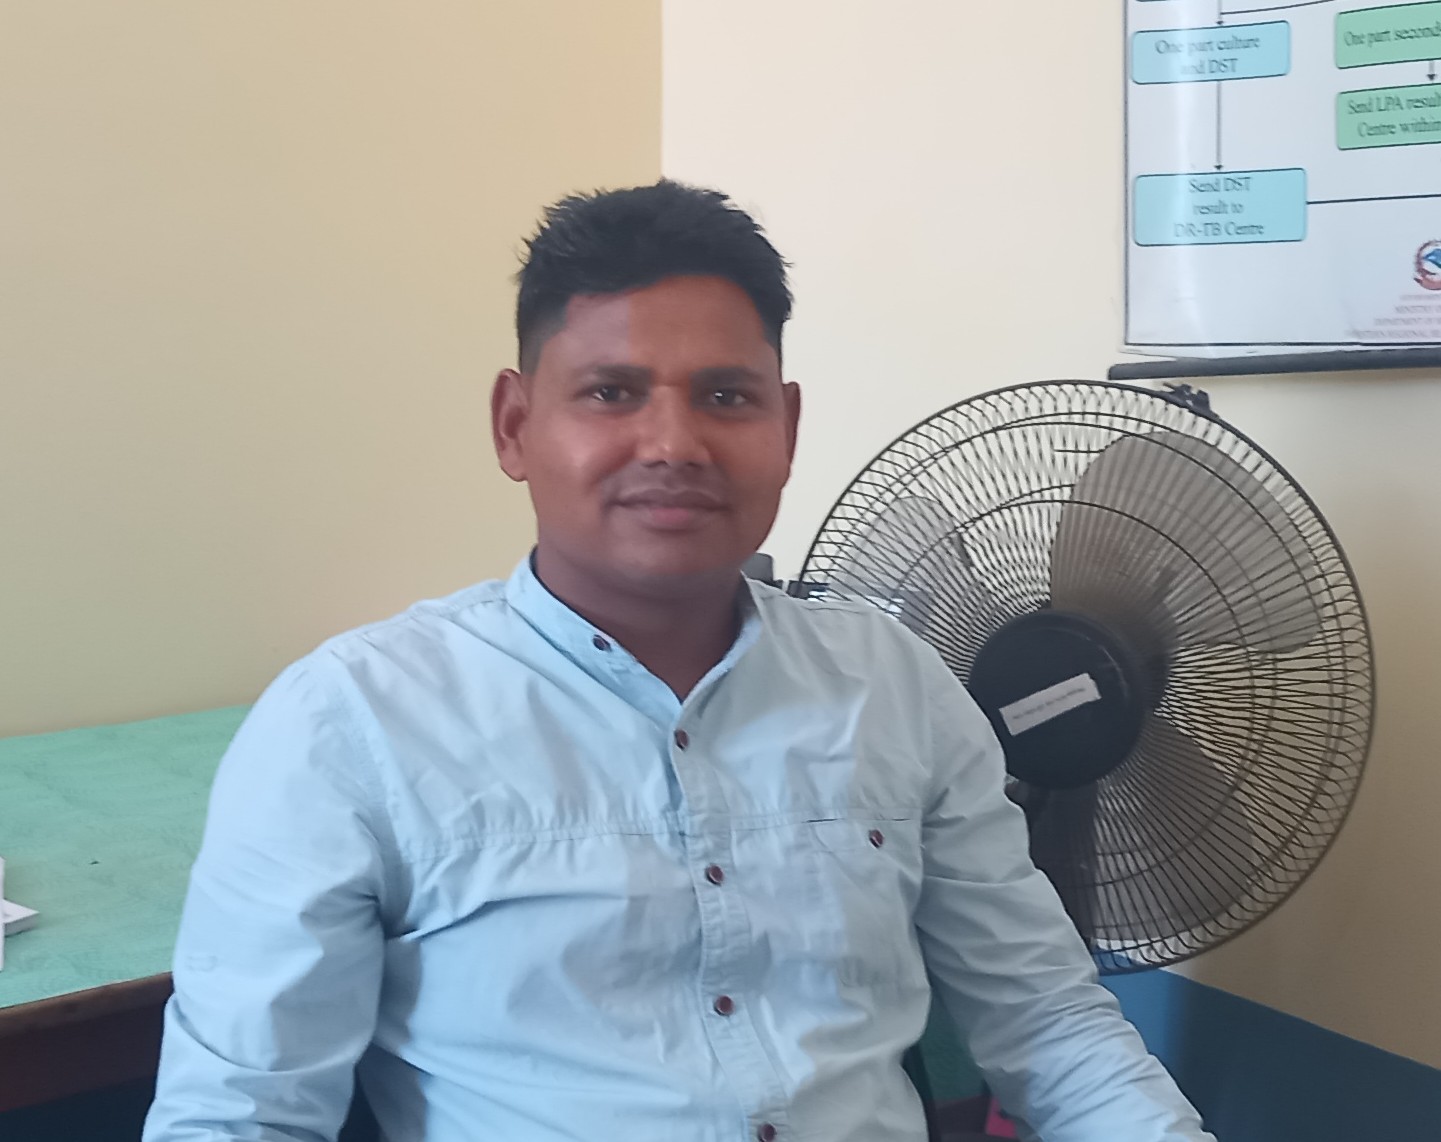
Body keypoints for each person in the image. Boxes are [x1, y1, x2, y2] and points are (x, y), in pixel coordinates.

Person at [144, 180, 1215, 1142]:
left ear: (786, 426)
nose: (673, 444)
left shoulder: (895, 687)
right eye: (611, 392)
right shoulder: (352, 723)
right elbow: (242, 1112)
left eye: (725, 395)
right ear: (514, 425)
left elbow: (1049, 1024)